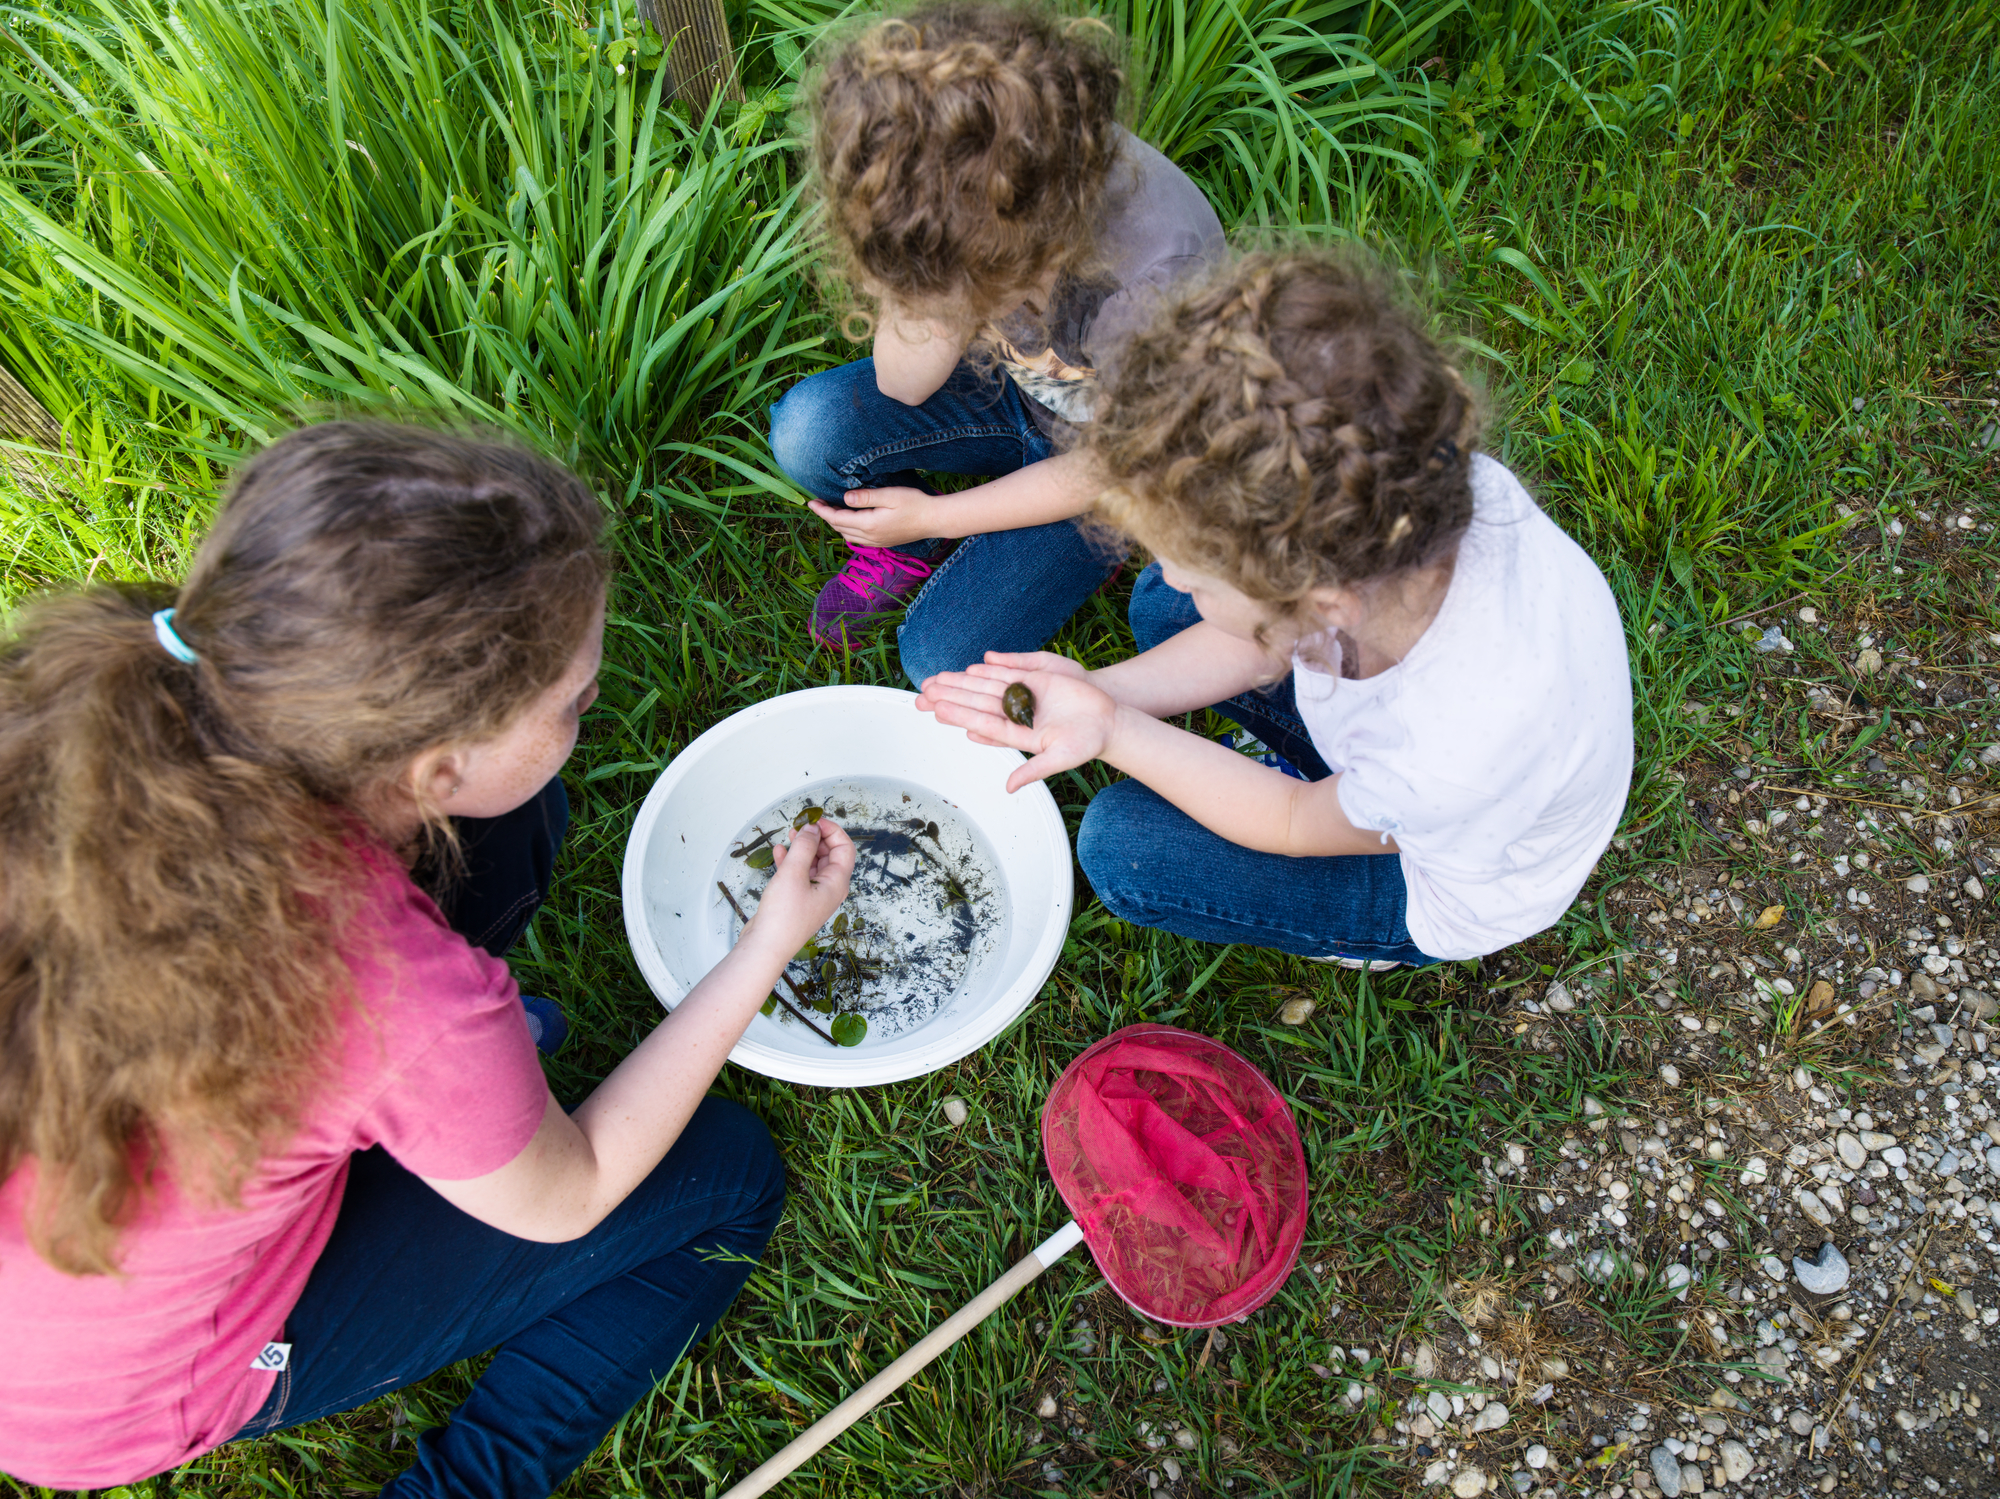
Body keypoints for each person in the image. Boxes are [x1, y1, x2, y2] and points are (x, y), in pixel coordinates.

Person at [0, 424, 854, 1495]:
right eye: (572, 704)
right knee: (723, 1174)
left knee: (516, 820)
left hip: (82, 1180)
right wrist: (766, 944)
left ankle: (435, 1121)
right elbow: (571, 1190)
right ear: (435, 756)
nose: (587, 708)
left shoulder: (135, 685)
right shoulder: (391, 992)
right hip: (100, 1386)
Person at [915, 250, 1633, 967]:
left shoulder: (1448, 752)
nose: (1169, 569)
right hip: (1403, 739)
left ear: (1319, 599)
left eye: (1200, 572)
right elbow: (1259, 639)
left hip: (1431, 877)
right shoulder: (1403, 504)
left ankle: (1366, 939)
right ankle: (1298, 737)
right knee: (1169, 608)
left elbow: (1290, 817)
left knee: (1127, 846)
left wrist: (1113, 731)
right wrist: (1097, 691)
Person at [768, 0, 1225, 679]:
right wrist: (936, 291)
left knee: (936, 657)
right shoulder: (958, 206)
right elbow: (904, 382)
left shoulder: (1155, 281)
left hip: (1115, 465)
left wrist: (934, 517)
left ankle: (1094, 550)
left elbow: (1109, 467)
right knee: (808, 430)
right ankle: (933, 540)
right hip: (1020, 396)